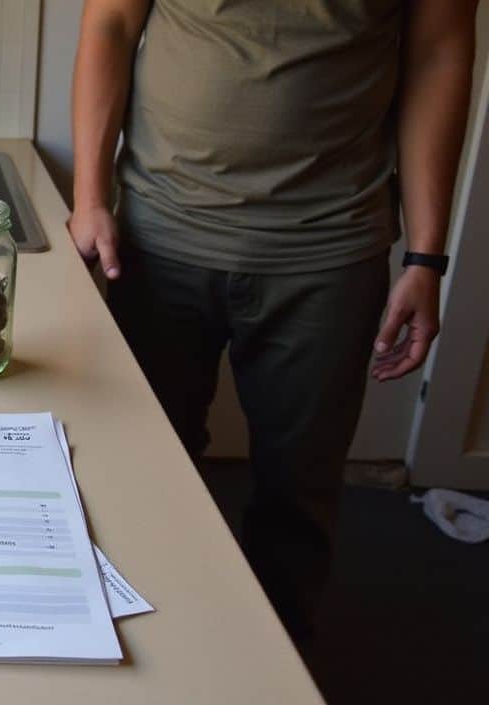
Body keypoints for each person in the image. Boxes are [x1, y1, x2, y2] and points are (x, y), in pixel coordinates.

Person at [68, 0, 480, 636]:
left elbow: (439, 54)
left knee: (299, 495)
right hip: (159, 239)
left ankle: (282, 683)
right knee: (145, 477)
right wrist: (90, 200)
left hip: (329, 252)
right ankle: (164, 654)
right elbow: (110, 23)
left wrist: (426, 256)